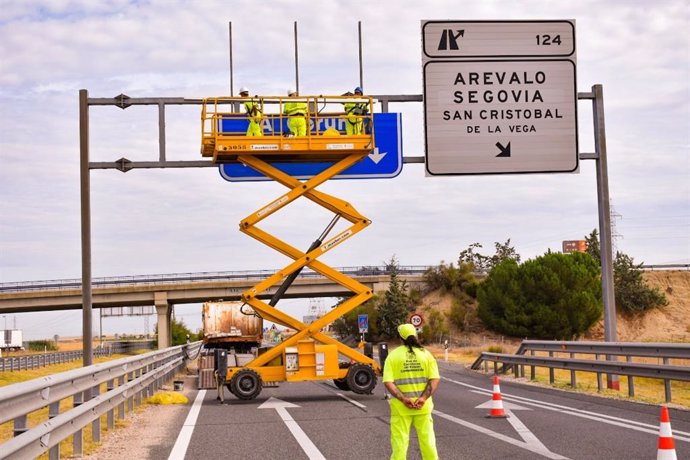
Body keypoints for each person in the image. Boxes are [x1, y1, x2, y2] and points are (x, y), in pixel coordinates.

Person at [383, 323, 440, 460]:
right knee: (428, 442)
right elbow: (434, 380)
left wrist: (403, 399)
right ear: (415, 335)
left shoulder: (393, 356)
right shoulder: (426, 355)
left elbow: (388, 382)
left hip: (401, 408)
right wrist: (423, 398)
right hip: (423, 407)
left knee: (400, 443)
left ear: (400, 338)